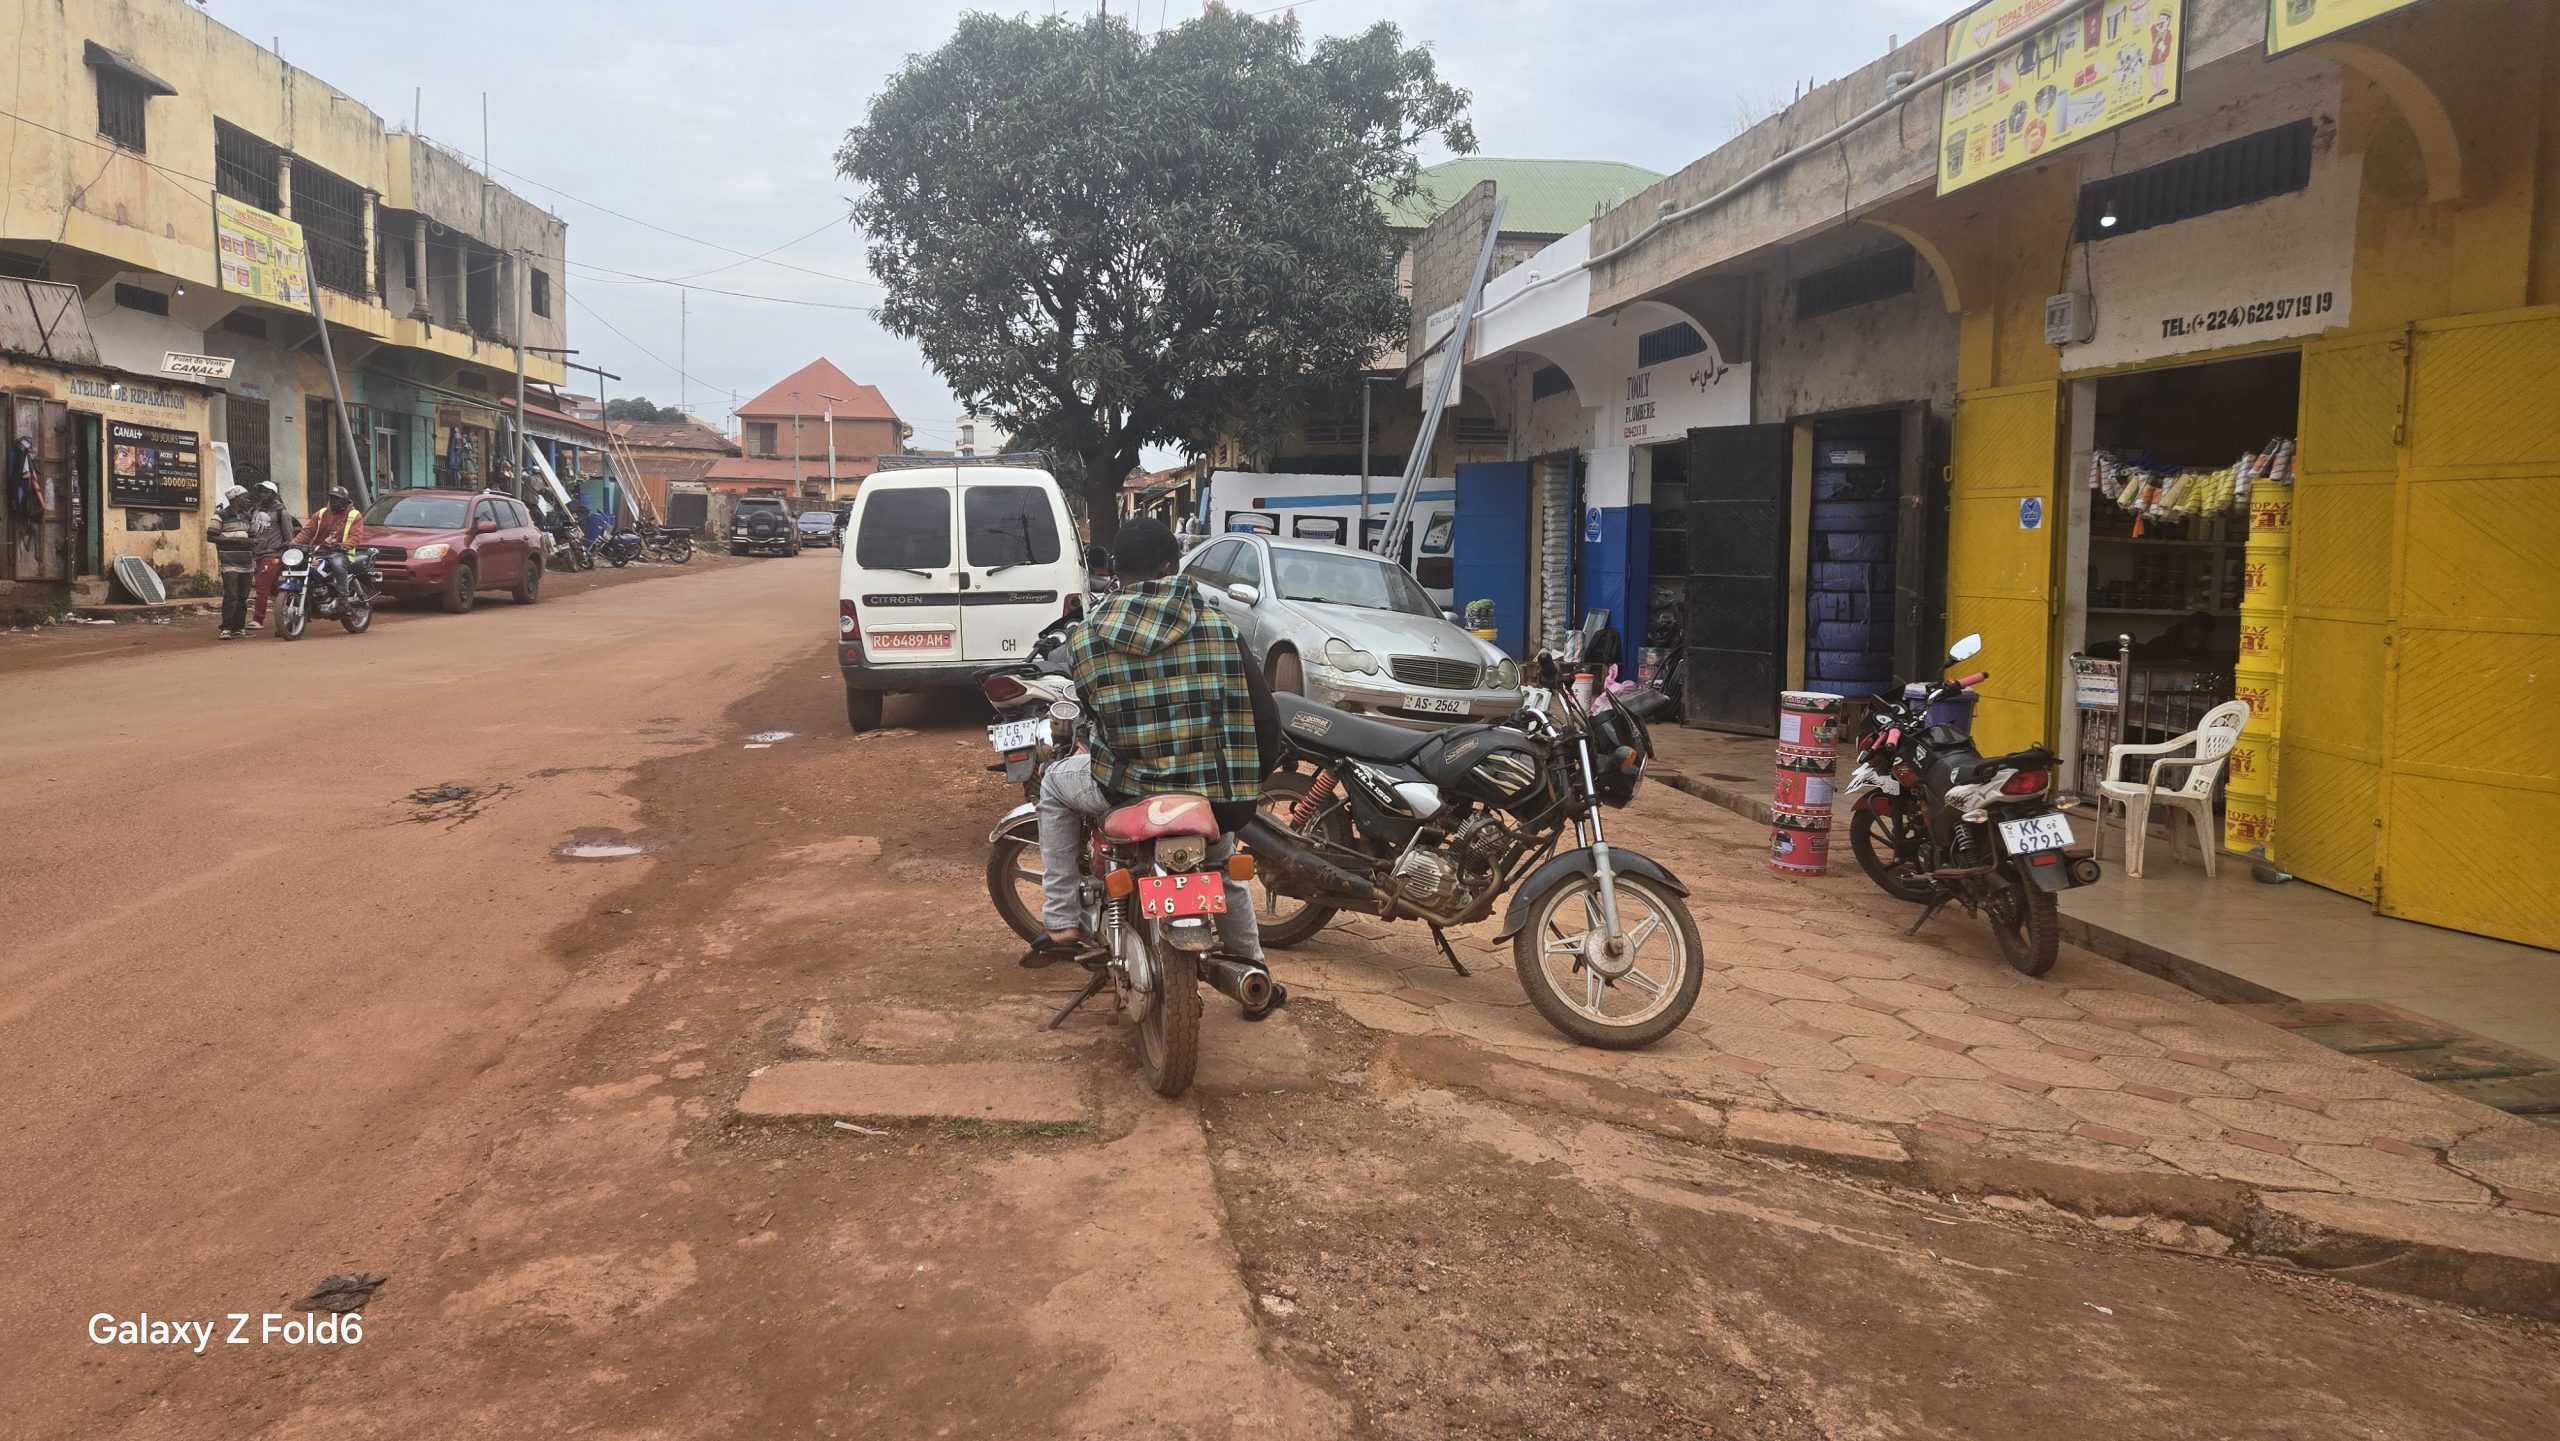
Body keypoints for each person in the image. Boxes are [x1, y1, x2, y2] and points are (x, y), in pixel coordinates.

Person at [1027, 518, 1281, 1007]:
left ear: (1117, 574)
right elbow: (1265, 718)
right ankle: (1255, 976)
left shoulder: (1086, 639)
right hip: (1214, 797)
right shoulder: (1219, 628)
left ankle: (1061, 922)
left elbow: (1096, 718)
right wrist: (1246, 778)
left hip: (1127, 789)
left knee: (1055, 785)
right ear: (1172, 566)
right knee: (1222, 865)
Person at [296, 486, 367, 597]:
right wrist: (293, 544)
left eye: (337, 498)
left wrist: (343, 546)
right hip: (318, 551)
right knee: (297, 564)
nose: (334, 501)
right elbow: (307, 532)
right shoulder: (321, 513)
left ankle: (343, 599)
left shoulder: (354, 515)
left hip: (341, 553)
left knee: (337, 564)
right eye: (332, 498)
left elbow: (355, 537)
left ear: (345, 500)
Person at [244, 481, 296, 631]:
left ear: (273, 495)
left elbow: (289, 536)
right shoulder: (255, 509)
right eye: (261, 492)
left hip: (273, 554)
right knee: (272, 587)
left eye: (266, 492)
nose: (262, 495)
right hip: (257, 554)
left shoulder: (282, 513)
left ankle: (258, 619)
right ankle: (292, 600)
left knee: (261, 586)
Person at [208, 485, 256, 638]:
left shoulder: (248, 518)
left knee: (243, 596)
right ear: (235, 499)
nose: (247, 500)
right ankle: (226, 627)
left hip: (247, 562)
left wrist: (254, 543)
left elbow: (253, 537)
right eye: (245, 497)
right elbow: (211, 536)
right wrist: (236, 540)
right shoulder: (220, 516)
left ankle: (238, 627)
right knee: (231, 595)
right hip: (229, 561)